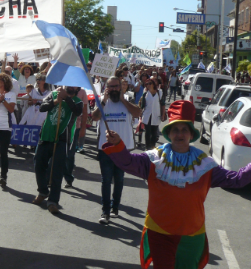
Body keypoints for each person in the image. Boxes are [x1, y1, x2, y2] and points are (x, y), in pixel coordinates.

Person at [104, 100, 251, 268]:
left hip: (192, 235)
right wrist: (117, 144)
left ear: (191, 133)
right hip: (159, 232)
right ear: (169, 133)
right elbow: (128, 162)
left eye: (184, 129)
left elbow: (237, 179)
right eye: (175, 129)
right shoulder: (154, 159)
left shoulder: (205, 164)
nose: (179, 134)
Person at [92, 76, 142, 224]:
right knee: (106, 180)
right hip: (105, 148)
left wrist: (123, 100)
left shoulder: (127, 98)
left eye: (116, 86)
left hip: (122, 148)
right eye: (110, 87)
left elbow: (137, 113)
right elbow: (94, 117)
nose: (113, 89)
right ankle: (105, 212)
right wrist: (104, 100)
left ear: (121, 87)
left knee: (119, 179)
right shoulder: (102, 101)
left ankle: (115, 207)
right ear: (106, 88)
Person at [32, 86, 83, 214]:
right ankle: (43, 191)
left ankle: (53, 201)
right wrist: (55, 101)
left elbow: (77, 112)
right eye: (67, 85)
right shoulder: (53, 94)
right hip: (46, 135)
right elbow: (42, 107)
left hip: (62, 139)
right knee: (38, 164)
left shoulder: (78, 101)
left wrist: (66, 98)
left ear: (76, 88)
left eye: (72, 86)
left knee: (56, 171)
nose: (69, 87)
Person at [64, 86, 88, 187]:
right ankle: (52, 179)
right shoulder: (61, 90)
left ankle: (68, 178)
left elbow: (85, 111)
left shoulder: (82, 92)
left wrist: (83, 128)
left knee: (70, 154)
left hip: (75, 127)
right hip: (61, 127)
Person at [140, 78, 165, 150]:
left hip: (156, 115)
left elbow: (162, 104)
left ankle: (153, 146)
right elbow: (142, 106)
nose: (148, 85)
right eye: (147, 84)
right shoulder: (145, 94)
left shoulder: (159, 92)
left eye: (150, 83)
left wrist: (163, 114)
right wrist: (139, 115)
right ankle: (148, 147)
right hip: (147, 115)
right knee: (147, 132)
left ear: (154, 84)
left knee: (154, 133)